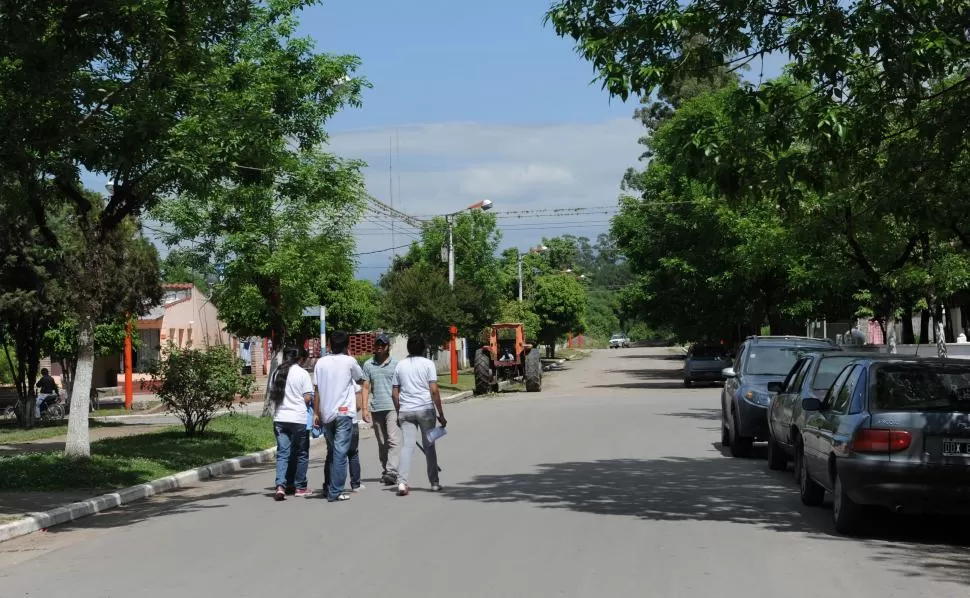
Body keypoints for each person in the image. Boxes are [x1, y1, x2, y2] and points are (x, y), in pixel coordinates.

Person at [313, 330, 365, 503]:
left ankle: (328, 486)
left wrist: (315, 412)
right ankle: (336, 491)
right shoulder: (350, 361)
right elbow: (360, 380)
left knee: (332, 452)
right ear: (347, 345)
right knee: (341, 453)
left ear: (329, 345)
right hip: (344, 413)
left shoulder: (320, 363)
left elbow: (317, 390)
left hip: (326, 413)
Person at [392, 336, 446, 496]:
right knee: (429, 446)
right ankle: (434, 482)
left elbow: (395, 393)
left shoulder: (400, 365)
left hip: (406, 411)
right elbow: (434, 391)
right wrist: (441, 414)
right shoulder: (428, 364)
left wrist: (398, 411)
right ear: (423, 348)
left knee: (407, 447)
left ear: (408, 348)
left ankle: (402, 482)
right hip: (425, 409)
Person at [270, 347, 314, 500]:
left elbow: (272, 394)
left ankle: (281, 486)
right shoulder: (302, 373)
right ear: (300, 359)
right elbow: (308, 397)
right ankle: (300, 487)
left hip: (280, 418)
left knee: (283, 453)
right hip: (298, 419)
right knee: (301, 453)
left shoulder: (277, 373)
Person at [361, 333, 400, 486]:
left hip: (392, 407)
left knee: (392, 439)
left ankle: (392, 470)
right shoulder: (368, 365)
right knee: (382, 442)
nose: (379, 347)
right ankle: (386, 469)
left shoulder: (396, 364)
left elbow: (400, 387)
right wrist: (364, 409)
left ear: (387, 347)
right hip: (376, 407)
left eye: (382, 345)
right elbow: (365, 387)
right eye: (377, 344)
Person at [323, 380, 365, 493]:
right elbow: (359, 405)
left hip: (330, 419)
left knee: (331, 453)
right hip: (349, 419)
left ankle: (328, 485)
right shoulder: (351, 382)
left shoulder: (327, 382)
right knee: (352, 453)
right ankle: (355, 484)